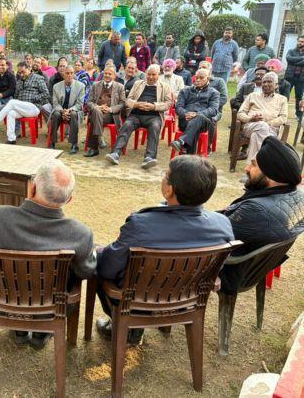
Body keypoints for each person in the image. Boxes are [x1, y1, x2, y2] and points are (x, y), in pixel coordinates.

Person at [0, 159, 96, 348]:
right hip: (51, 310)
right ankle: (41, 333)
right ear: (69, 199)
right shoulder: (80, 234)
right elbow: (86, 271)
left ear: (32, 188)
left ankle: (19, 330)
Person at [95, 155, 234, 343]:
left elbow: (107, 267)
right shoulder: (223, 225)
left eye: (165, 175)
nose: (163, 177)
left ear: (169, 190)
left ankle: (127, 329)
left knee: (98, 260)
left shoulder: (141, 225)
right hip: (185, 300)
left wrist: (98, 252)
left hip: (136, 302)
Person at [219, 137, 303, 295]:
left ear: (271, 175)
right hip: (257, 264)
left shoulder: (256, 211)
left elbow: (212, 237)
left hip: (231, 271)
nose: (247, 168)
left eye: (253, 164)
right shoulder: (297, 197)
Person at [106, 64, 173, 168]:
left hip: (154, 116)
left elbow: (168, 104)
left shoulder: (165, 87)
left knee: (155, 127)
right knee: (127, 125)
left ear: (158, 75)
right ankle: (115, 153)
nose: (150, 77)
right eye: (149, 74)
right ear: (145, 74)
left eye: (153, 75)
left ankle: (149, 157)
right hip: (136, 114)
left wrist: (154, 106)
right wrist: (136, 104)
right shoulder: (138, 84)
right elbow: (128, 100)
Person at [0, 61, 49, 143]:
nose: (21, 74)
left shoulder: (38, 78)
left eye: (23, 72)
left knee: (12, 102)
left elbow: (46, 94)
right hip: (22, 108)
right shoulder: (19, 81)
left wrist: (33, 98)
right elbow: (16, 96)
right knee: (11, 113)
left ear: (29, 69)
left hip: (34, 107)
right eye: (19, 72)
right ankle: (11, 139)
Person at [237, 72, 288, 166]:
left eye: (269, 82)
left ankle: (252, 166)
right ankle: (262, 166)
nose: (266, 84)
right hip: (250, 126)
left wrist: (267, 124)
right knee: (261, 127)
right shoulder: (252, 96)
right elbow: (240, 114)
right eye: (264, 82)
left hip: (271, 129)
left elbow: (283, 117)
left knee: (256, 135)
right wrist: (250, 119)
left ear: (276, 85)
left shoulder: (282, 99)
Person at [170, 68, 220, 154]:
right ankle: (186, 150)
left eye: (201, 78)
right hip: (185, 120)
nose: (198, 80)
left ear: (208, 78)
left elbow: (213, 110)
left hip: (204, 122)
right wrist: (185, 114)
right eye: (196, 77)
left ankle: (182, 142)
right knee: (194, 128)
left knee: (199, 118)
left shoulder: (213, 93)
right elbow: (178, 107)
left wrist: (196, 114)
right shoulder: (185, 91)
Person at [84, 66, 126, 157]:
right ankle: (99, 135)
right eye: (105, 73)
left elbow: (122, 104)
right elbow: (89, 102)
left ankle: (94, 148)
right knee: (96, 111)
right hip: (97, 111)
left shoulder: (120, 87)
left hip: (110, 115)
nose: (107, 75)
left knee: (95, 117)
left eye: (109, 74)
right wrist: (98, 107)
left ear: (114, 76)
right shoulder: (95, 85)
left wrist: (110, 109)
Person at [49, 66, 85, 154]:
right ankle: (52, 142)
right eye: (67, 73)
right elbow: (55, 103)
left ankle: (74, 144)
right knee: (56, 114)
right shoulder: (56, 86)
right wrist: (62, 111)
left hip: (74, 111)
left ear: (74, 74)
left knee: (73, 114)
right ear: (63, 75)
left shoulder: (81, 86)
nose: (70, 75)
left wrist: (69, 110)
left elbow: (79, 104)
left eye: (72, 73)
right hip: (60, 110)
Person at [285, 35, 304, 118]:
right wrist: (302, 58)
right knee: (285, 95)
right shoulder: (291, 51)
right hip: (289, 77)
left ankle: (298, 115)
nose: (300, 43)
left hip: (301, 78)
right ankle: (281, 112)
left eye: (302, 42)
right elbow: (288, 59)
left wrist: (294, 61)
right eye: (299, 41)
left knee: (299, 96)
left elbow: (292, 61)